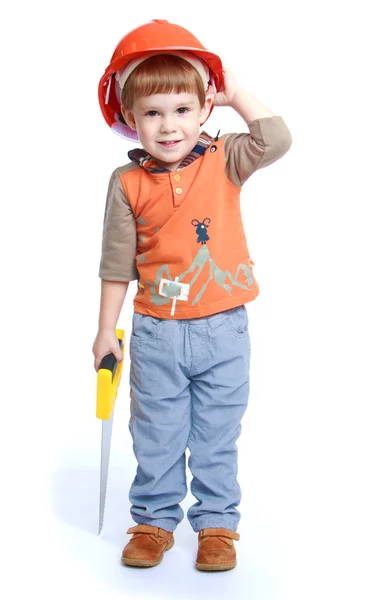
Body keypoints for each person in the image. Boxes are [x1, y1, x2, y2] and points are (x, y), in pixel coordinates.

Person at [93, 19, 292, 571]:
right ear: (130, 119)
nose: (169, 126)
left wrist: (233, 95)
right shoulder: (126, 183)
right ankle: (154, 521)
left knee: (216, 433)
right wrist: (105, 331)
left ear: (204, 109)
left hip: (224, 327)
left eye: (182, 110)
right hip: (157, 329)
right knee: (155, 431)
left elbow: (276, 139)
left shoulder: (226, 158)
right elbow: (116, 265)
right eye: (153, 113)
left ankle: (217, 526)